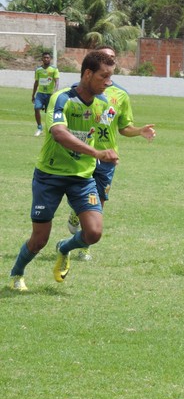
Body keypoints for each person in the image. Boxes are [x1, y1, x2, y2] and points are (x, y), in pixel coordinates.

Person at [9, 50, 119, 292]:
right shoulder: (62, 99)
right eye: (104, 76)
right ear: (88, 73)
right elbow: (58, 133)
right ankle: (16, 273)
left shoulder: (103, 104)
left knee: (94, 233)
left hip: (82, 177)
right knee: (38, 240)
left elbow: (100, 136)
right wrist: (96, 153)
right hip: (50, 175)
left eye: (111, 77)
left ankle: (64, 247)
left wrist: (109, 154)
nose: (108, 82)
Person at [66, 45, 156, 261]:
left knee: (99, 201)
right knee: (79, 197)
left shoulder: (121, 95)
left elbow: (124, 127)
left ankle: (84, 247)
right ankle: (76, 211)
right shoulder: (78, 89)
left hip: (107, 157)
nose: (109, 60)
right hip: (85, 153)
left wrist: (140, 131)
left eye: (112, 58)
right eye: (105, 57)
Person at [31, 51, 60, 137]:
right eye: (44, 57)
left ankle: (50, 129)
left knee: (49, 113)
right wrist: (33, 95)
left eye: (48, 57)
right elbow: (36, 82)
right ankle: (39, 128)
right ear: (42, 59)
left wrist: (55, 91)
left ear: (50, 59)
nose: (46, 59)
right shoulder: (38, 70)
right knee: (36, 108)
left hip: (50, 94)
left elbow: (57, 81)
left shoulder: (54, 69)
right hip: (40, 94)